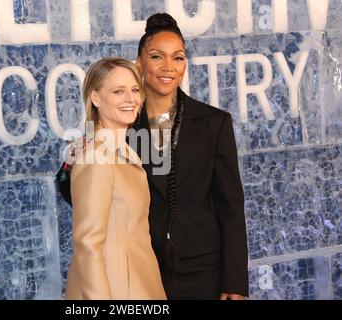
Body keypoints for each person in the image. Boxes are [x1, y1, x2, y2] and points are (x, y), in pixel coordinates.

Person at [58, 13, 248, 300]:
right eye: (157, 57)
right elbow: (84, 199)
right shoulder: (118, 122)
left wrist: (234, 281)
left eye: (178, 58)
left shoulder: (214, 123)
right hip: (139, 272)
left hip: (202, 270)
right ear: (140, 63)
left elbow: (231, 207)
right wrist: (75, 161)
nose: (168, 67)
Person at [64, 57, 166, 300]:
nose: (130, 99)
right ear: (95, 97)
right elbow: (88, 245)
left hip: (140, 286)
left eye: (134, 90)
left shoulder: (123, 151)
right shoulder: (96, 156)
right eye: (118, 91)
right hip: (116, 291)